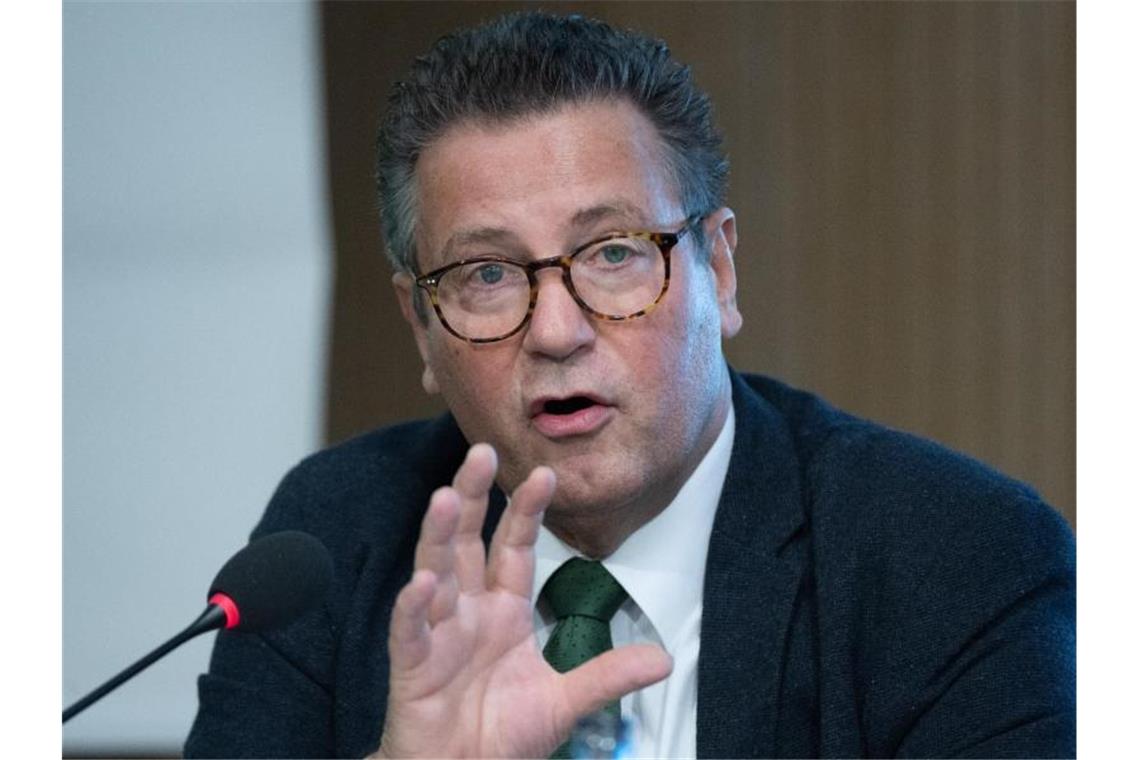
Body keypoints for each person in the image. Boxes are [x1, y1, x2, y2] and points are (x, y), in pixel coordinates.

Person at [184, 11, 1075, 759]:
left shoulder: (957, 557)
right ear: (421, 325)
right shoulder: (336, 541)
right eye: (488, 274)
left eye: (612, 254)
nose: (558, 332)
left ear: (718, 272)